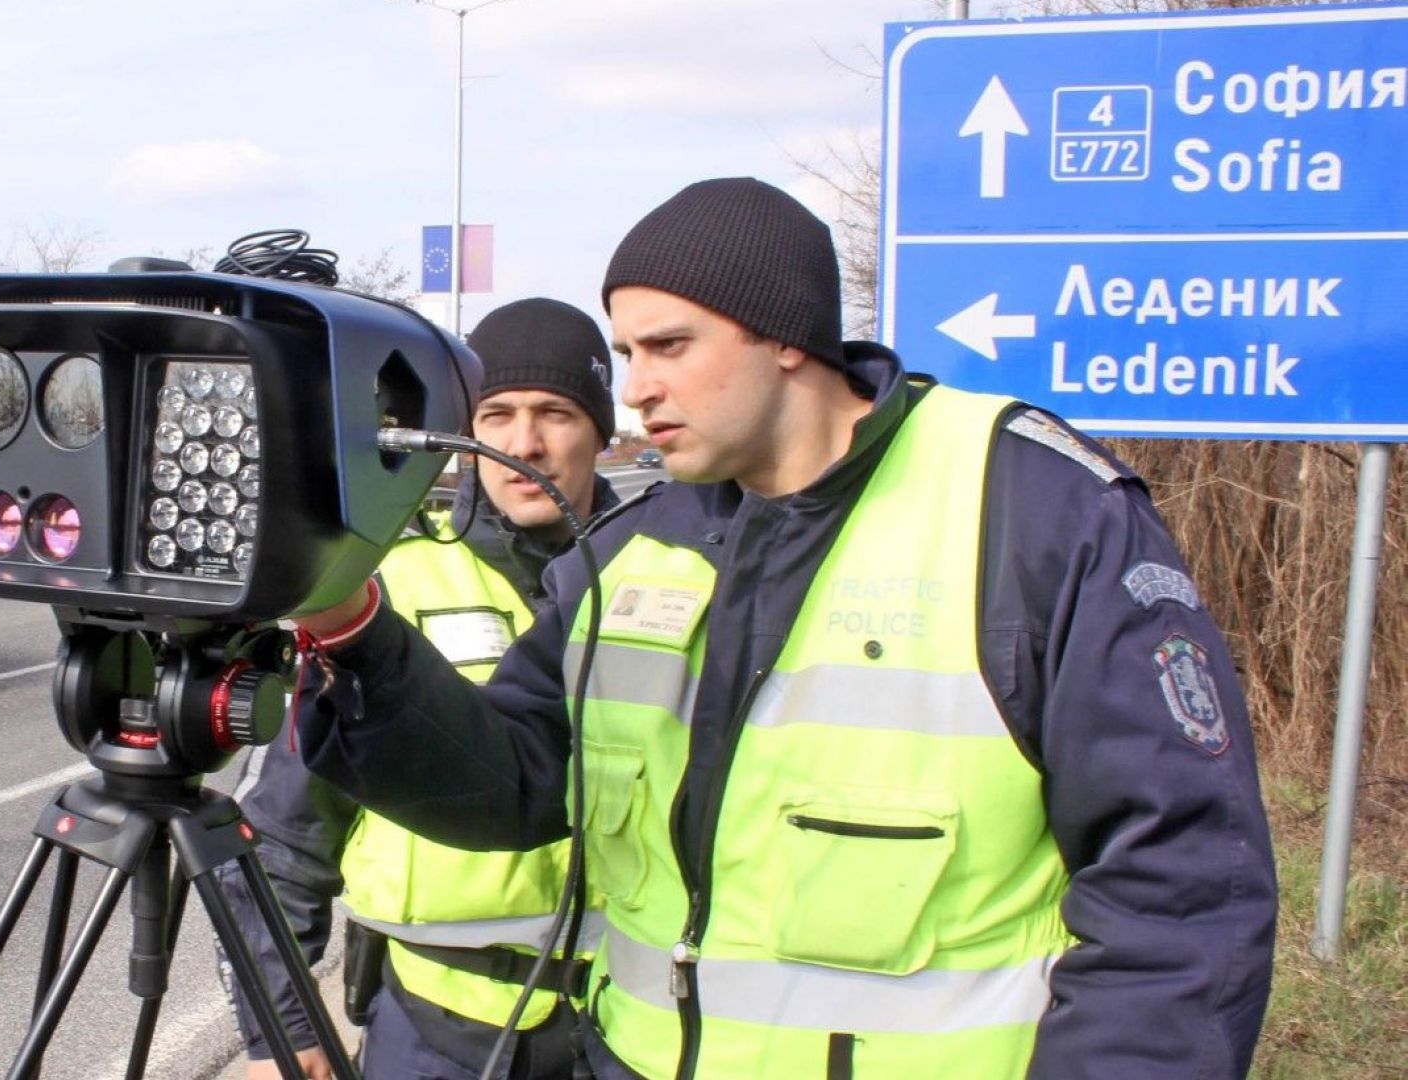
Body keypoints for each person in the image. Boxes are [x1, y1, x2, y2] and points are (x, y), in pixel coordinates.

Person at [288, 179, 1278, 1079]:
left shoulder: (1028, 509)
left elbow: (1182, 889)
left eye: (669, 347)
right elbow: (509, 787)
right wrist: (347, 624)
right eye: (627, 352)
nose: (634, 388)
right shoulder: (635, 547)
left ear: (787, 334)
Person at [218, 298, 625, 1079]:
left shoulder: (666, 579)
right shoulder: (379, 593)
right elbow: (285, 837)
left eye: (556, 413)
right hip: (433, 1031)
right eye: (496, 415)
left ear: (600, 430)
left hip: (628, 1028)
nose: (523, 444)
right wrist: (281, 1031)